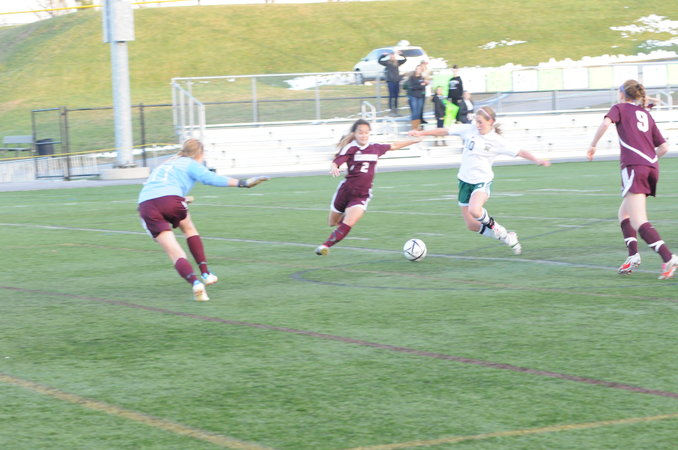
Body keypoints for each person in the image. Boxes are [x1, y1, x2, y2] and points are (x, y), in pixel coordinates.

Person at [138, 139, 269, 301]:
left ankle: (195, 283)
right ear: (200, 154)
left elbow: (155, 191)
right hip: (171, 200)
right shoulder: (190, 163)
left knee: (175, 253)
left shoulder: (165, 164)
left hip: (146, 206)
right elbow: (210, 178)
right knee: (189, 229)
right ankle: (206, 273)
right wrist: (243, 183)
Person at [408, 106, 550, 254]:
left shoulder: (496, 140)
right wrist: (421, 133)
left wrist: (537, 160)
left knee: (475, 210)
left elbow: (520, 151)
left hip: (481, 181)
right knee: (472, 225)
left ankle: (499, 229)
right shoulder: (469, 130)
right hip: (464, 182)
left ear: (491, 121)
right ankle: (506, 237)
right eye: (476, 121)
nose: (477, 125)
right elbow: (444, 131)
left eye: (480, 122)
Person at [587, 79, 676, 279]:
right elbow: (663, 148)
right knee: (624, 213)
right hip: (651, 167)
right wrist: (648, 159)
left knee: (638, 220)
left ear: (622, 94)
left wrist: (593, 145)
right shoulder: (645, 114)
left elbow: (605, 123)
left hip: (635, 167)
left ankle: (669, 257)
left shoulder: (619, 108)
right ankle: (633, 255)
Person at [316, 119, 421, 255]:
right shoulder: (350, 148)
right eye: (360, 132)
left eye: (366, 132)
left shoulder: (375, 148)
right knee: (332, 222)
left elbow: (394, 145)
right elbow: (337, 161)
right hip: (345, 191)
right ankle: (344, 217)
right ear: (354, 134)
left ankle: (325, 246)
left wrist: (414, 140)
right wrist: (334, 167)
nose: (363, 135)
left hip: (362, 195)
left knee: (349, 223)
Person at [405, 65, 427, 130]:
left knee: (419, 112)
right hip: (413, 96)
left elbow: (423, 86)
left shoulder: (422, 78)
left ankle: (418, 127)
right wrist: (420, 86)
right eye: (417, 69)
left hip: (420, 96)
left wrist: (420, 86)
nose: (418, 70)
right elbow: (412, 87)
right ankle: (414, 127)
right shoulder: (412, 78)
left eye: (420, 69)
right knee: (414, 112)